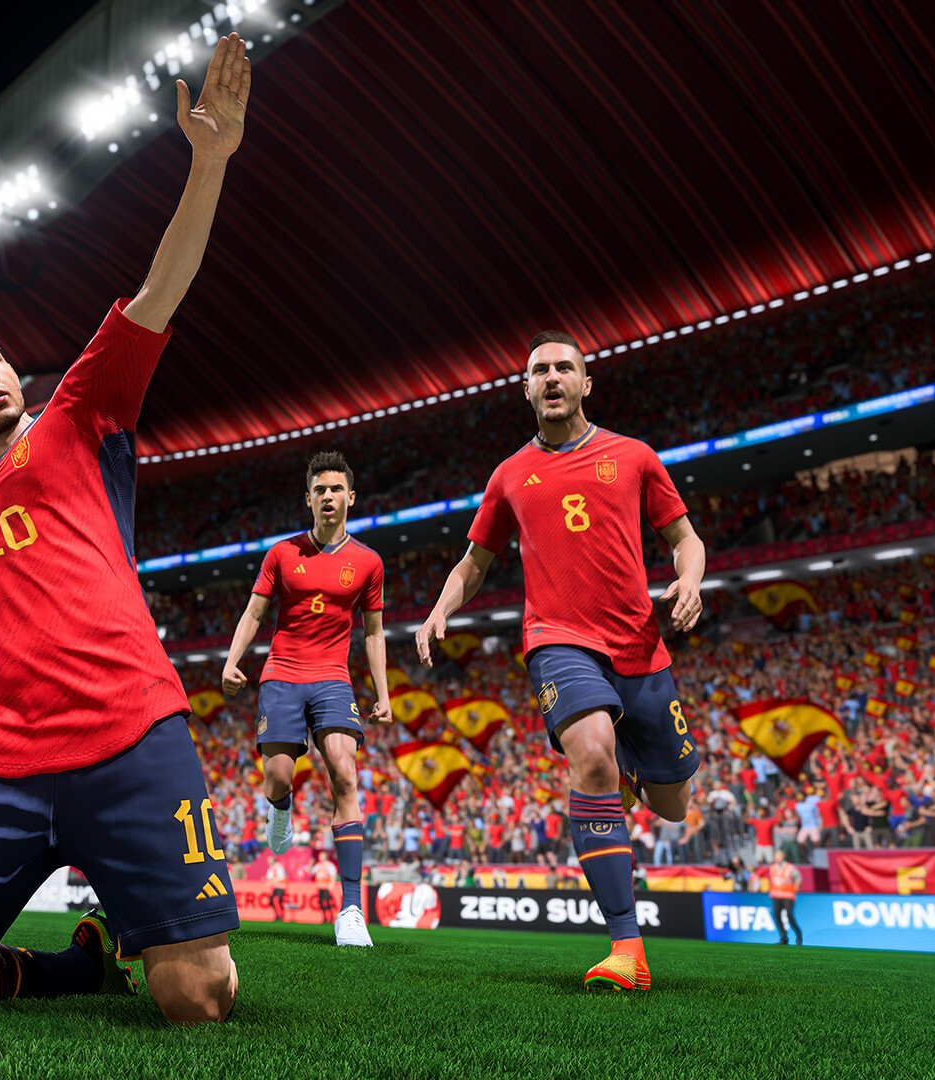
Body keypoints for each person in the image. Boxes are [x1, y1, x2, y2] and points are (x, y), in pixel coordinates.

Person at [0, 34, 253, 1025]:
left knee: (196, 995)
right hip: (5, 761)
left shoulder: (79, 411)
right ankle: (73, 967)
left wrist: (208, 161)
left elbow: (160, 291)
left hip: (131, 735)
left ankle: (145, 945)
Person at [415, 330, 707, 992]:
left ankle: (634, 768)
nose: (551, 377)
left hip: (640, 646)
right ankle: (627, 946)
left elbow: (685, 539)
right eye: (540, 370)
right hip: (558, 640)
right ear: (526, 389)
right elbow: (474, 562)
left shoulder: (633, 457)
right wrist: (439, 610)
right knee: (593, 755)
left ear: (585, 383)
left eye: (564, 368)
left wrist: (689, 579)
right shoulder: (509, 475)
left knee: (673, 805)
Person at [218, 450, 389, 947]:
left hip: (333, 678)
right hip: (282, 675)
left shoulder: (368, 562)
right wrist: (231, 660)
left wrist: (383, 693)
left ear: (350, 497)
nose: (328, 497)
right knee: (277, 776)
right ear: (308, 499)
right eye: (320, 490)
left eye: (336, 489)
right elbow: (254, 613)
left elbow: (373, 632)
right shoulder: (281, 553)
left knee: (344, 772)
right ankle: (280, 807)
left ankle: (352, 910)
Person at [767, 849, 804, 946]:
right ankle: (784, 938)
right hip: (776, 895)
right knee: (776, 915)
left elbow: (798, 878)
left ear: (783, 856)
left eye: (779, 856)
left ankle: (798, 936)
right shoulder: (772, 868)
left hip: (787, 895)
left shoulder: (790, 867)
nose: (777, 858)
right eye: (776, 856)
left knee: (789, 916)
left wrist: (796, 888)